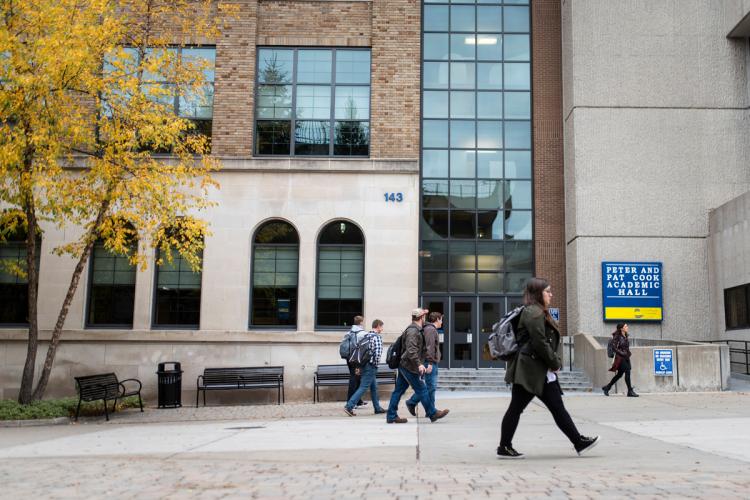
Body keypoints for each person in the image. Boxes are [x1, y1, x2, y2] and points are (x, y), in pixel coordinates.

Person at [498, 278, 600, 458]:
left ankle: (578, 442)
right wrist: (555, 362)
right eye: (548, 291)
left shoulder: (537, 311)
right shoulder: (533, 313)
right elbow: (540, 342)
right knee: (516, 409)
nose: (551, 294)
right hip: (529, 372)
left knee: (556, 408)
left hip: (538, 370)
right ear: (538, 294)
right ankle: (504, 446)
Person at [386, 308, 449, 424]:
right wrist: (419, 364)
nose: (425, 318)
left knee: (398, 391)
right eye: (424, 316)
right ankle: (432, 413)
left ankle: (391, 415)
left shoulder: (416, 329)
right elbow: (411, 350)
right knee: (422, 389)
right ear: (421, 318)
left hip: (406, 365)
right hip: (409, 366)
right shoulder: (413, 331)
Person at [344, 319, 387, 416]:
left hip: (363, 364)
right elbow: (377, 354)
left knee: (374, 387)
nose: (382, 329)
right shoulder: (377, 337)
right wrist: (375, 365)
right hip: (371, 366)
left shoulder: (366, 335)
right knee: (363, 387)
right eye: (382, 327)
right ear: (378, 326)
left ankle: (377, 408)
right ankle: (349, 406)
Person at [405, 311, 442, 416]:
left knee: (429, 387)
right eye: (441, 320)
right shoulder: (430, 329)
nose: (442, 322)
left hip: (430, 361)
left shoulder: (429, 328)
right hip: (429, 362)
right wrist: (430, 362)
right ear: (437, 319)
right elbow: (429, 347)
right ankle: (414, 403)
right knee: (430, 387)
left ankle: (430, 410)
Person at [602, 323, 639, 397]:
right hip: (620, 357)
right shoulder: (617, 336)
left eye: (627, 326)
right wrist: (622, 353)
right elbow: (614, 347)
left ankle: (607, 387)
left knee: (620, 374)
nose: (627, 327)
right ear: (621, 328)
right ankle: (630, 391)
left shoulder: (625, 336)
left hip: (626, 357)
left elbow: (626, 347)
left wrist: (627, 354)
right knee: (627, 372)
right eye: (625, 326)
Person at [345, 316, 367, 409]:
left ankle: (358, 401)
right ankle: (351, 402)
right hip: (357, 360)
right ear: (361, 322)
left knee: (356, 378)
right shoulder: (362, 333)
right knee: (355, 379)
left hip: (349, 359)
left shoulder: (349, 332)